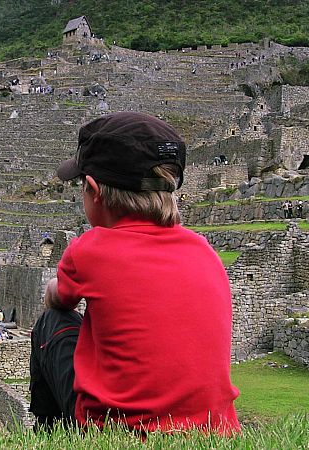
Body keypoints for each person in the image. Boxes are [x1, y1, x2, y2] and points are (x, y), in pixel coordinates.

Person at [29, 111, 240, 435]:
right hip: (214, 428)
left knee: (51, 321)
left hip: (121, 428)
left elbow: (57, 299)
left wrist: (58, 289)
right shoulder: (204, 250)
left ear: (94, 190)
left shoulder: (89, 250)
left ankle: (49, 433)